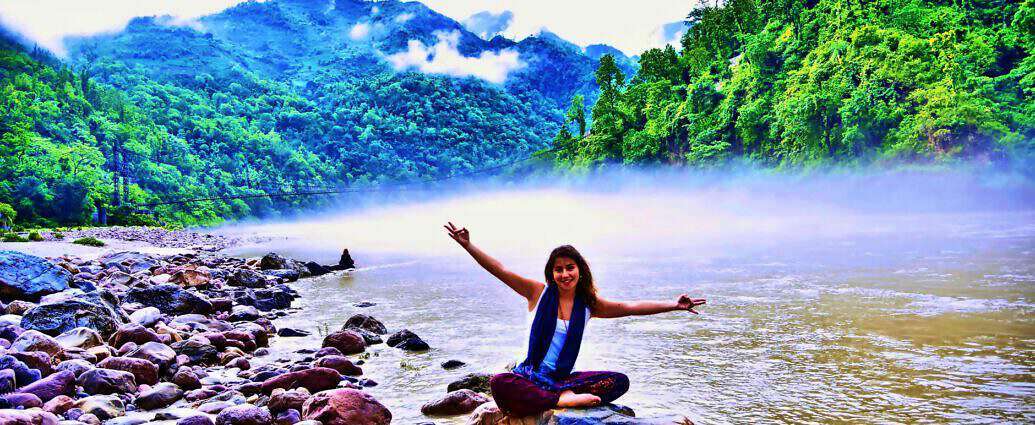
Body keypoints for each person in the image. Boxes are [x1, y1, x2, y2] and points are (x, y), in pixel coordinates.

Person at [444, 222, 706, 417]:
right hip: (529, 375)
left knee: (618, 381)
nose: (565, 274)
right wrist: (468, 245)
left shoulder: (589, 306)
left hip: (561, 378)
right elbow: (500, 270)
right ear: (551, 273)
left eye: (570, 267)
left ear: (580, 271)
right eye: (558, 269)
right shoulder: (537, 292)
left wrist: (674, 305)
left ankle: (556, 396)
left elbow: (630, 307)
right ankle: (560, 399)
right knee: (499, 382)